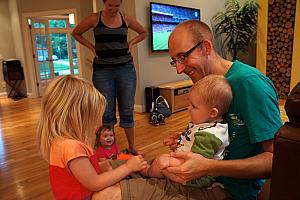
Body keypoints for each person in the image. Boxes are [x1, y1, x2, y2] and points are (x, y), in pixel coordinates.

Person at [162, 19, 283, 200]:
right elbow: (226, 131)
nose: (179, 69)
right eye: (175, 61)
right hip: (199, 180)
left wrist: (208, 167)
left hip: (229, 191)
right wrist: (187, 136)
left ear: (206, 47)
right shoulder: (207, 85)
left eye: (183, 57)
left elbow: (278, 161)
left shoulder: (249, 84)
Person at [36, 75, 148, 200]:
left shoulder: (60, 142)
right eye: (94, 118)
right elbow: (95, 183)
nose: (99, 124)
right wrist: (128, 168)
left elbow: (79, 174)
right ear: (77, 117)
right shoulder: (71, 147)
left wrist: (100, 166)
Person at [71, 0, 147, 155]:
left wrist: (131, 43)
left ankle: (132, 147)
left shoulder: (126, 19)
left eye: (116, 6)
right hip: (102, 71)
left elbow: (144, 32)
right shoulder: (94, 18)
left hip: (125, 69)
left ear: (120, 4)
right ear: (104, 3)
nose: (113, 9)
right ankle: (109, 150)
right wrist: (91, 47)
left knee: (127, 109)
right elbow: (75, 33)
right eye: (110, 5)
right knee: (106, 112)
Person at [145, 74, 232, 189]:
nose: (188, 108)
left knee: (161, 161)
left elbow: (197, 165)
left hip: (197, 177)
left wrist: (170, 160)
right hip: (192, 166)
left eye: (194, 106)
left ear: (212, 113)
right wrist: (180, 139)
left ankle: (146, 173)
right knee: (163, 160)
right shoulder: (207, 123)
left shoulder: (209, 136)